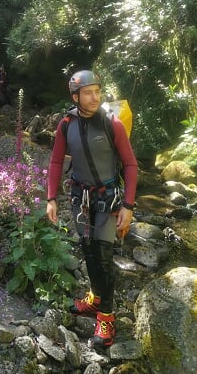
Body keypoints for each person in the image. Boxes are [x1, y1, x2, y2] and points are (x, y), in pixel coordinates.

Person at [46, 69, 137, 348]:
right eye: (88, 92)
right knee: (87, 249)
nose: (95, 96)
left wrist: (128, 206)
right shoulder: (65, 125)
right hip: (79, 198)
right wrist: (51, 198)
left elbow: (131, 165)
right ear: (75, 96)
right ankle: (95, 299)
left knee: (104, 255)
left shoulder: (113, 124)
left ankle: (107, 317)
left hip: (108, 199)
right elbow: (56, 162)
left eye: (97, 91)